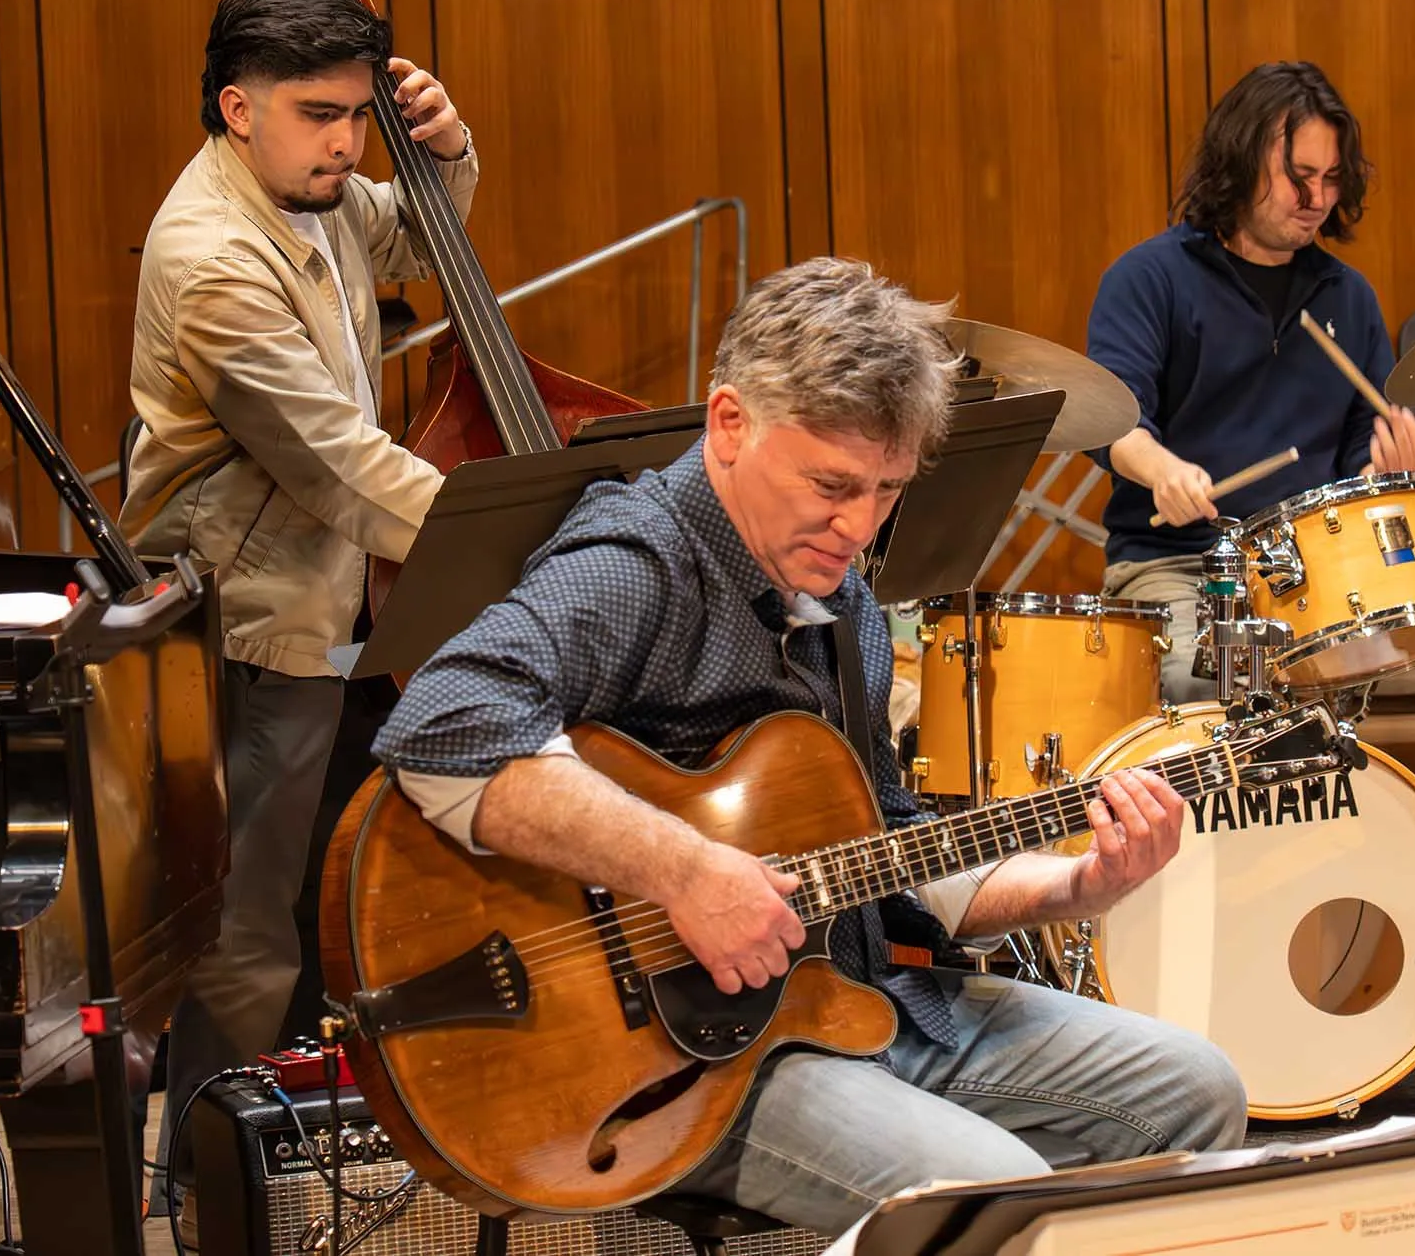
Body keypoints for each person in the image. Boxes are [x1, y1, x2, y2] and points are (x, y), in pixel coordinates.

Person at [371, 256, 1248, 1237]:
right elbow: (444, 716)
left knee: (1194, 1089)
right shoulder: (637, 560)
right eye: (831, 484)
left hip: (865, 1002)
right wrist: (684, 869)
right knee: (992, 1199)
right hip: (696, 1063)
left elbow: (894, 848)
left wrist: (1075, 886)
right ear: (729, 423)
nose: (859, 523)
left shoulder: (847, 607)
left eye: (885, 488)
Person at [120, 0, 476, 1213]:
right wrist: (506, 534)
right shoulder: (214, 255)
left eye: (360, 117)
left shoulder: (307, 187)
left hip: (322, 607)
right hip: (245, 623)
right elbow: (335, 462)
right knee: (238, 940)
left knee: (282, 918)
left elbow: (414, 234)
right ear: (236, 107)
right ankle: (202, 1197)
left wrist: (448, 147)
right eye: (321, 114)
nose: (346, 143)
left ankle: (232, 1170)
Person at [1085, 60, 1415, 876]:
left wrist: (1390, 465)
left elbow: (1361, 451)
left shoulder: (1346, 296)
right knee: (1191, 674)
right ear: (1242, 160)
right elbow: (1113, 421)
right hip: (1179, 563)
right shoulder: (1150, 279)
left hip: (1316, 566)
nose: (1316, 197)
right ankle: (1204, 886)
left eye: (1329, 179)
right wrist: (1163, 467)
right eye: (1297, 177)